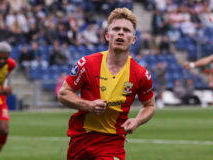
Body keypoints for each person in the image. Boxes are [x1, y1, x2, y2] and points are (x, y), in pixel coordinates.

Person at [57, 8, 155, 160]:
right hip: (81, 138)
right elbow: (63, 93)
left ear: (133, 39)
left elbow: (149, 105)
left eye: (126, 30)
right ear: (108, 36)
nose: (120, 33)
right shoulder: (86, 64)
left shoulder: (141, 75)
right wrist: (88, 105)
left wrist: (136, 121)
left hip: (112, 141)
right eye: (116, 29)